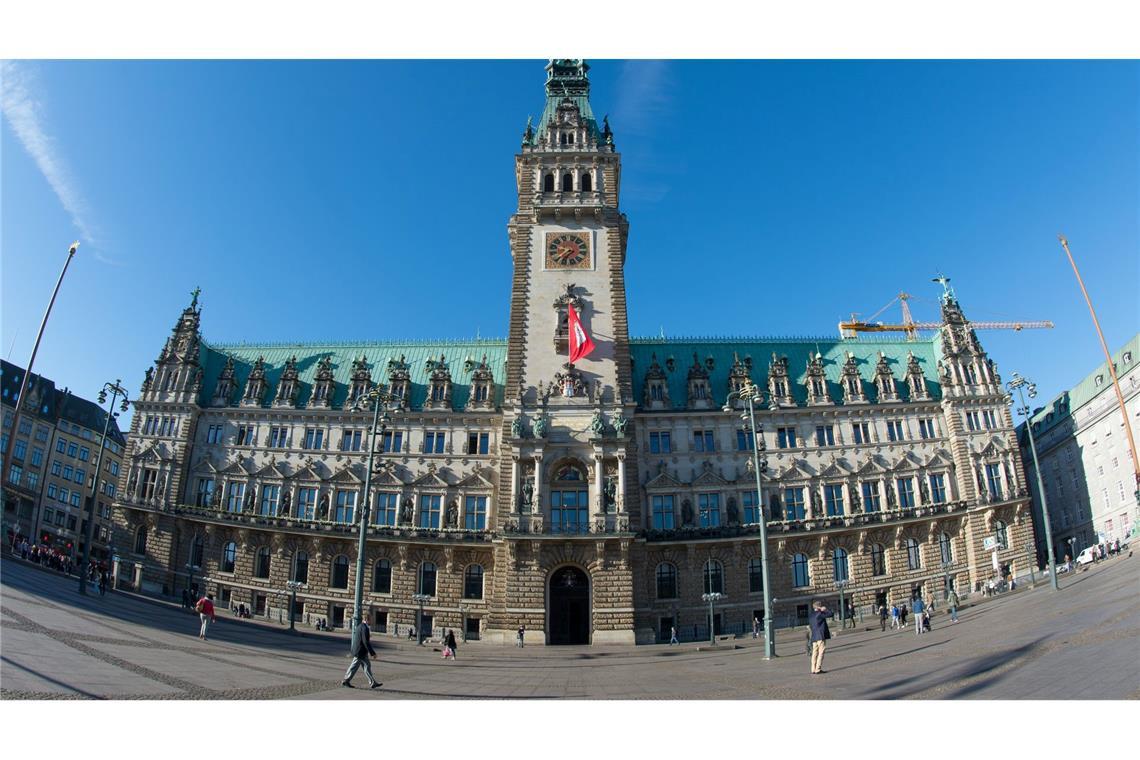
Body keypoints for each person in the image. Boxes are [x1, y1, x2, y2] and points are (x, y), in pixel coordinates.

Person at [342, 620, 381, 689]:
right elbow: (365, 641)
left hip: (361, 651)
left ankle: (372, 682)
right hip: (360, 651)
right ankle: (346, 680)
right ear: (368, 620)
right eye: (371, 619)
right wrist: (372, 653)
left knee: (367, 666)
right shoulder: (365, 628)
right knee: (354, 666)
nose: (372, 621)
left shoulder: (360, 626)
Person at [808, 600, 833, 675]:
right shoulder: (820, 614)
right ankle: (818, 669)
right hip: (820, 636)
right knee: (821, 652)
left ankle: (813, 669)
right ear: (819, 606)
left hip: (814, 636)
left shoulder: (811, 615)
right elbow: (831, 614)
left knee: (814, 653)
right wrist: (825, 609)